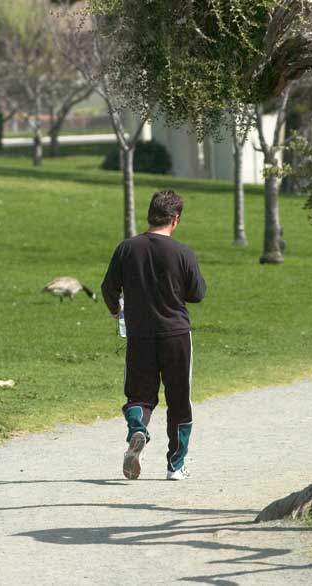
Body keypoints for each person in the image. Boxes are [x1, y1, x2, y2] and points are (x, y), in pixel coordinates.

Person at [101, 190, 206, 481]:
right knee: (179, 399)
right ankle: (176, 464)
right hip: (176, 335)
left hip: (140, 336)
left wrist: (115, 309)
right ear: (175, 219)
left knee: (139, 395)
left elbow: (109, 287)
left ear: (150, 215)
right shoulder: (182, 252)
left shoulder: (126, 249)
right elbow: (197, 293)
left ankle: (137, 429)